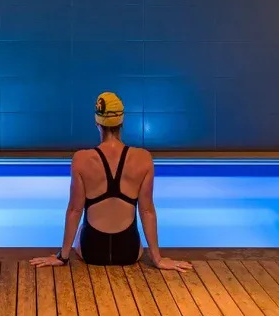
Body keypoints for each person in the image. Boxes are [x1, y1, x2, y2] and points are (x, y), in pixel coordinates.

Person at [29, 92, 192, 271]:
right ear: (122, 122)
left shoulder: (81, 159)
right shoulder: (143, 158)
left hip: (92, 252)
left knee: (81, 228)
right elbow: (147, 211)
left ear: (97, 122)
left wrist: (63, 256)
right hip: (128, 252)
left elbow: (75, 210)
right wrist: (158, 259)